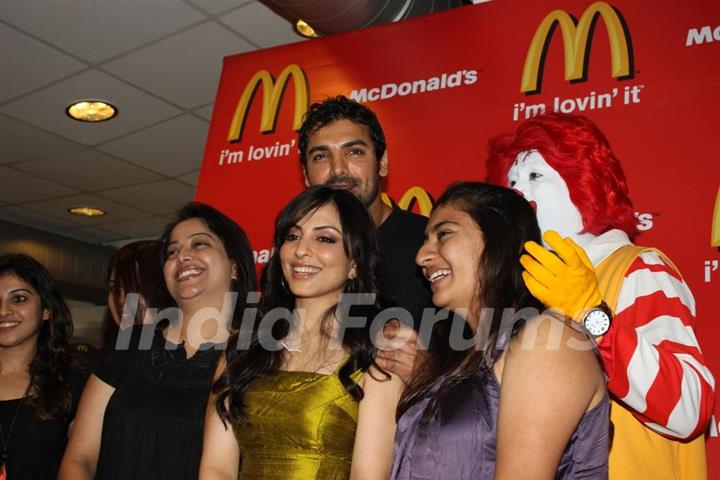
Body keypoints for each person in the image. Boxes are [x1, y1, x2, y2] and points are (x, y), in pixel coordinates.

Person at [485, 112, 715, 480]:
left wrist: (590, 313)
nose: (520, 192)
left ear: (584, 183)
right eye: (512, 182)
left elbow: (690, 406)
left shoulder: (639, 269)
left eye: (535, 176)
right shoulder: (523, 294)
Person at [390, 182, 609, 479]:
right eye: (426, 240)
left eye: (444, 234)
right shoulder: (463, 361)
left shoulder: (546, 338)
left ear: (499, 239)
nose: (421, 257)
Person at [199, 186, 404, 479]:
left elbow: (368, 475)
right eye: (292, 236)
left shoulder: (380, 347)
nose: (301, 250)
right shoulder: (244, 345)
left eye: (324, 238)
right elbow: (215, 468)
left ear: (355, 264)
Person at [59, 203, 256, 480]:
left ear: (234, 266)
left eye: (199, 244)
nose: (183, 256)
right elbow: (80, 459)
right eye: (173, 251)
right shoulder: (130, 342)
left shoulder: (255, 357)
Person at [298, 95, 432, 330]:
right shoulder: (298, 256)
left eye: (354, 152)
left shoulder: (428, 243)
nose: (338, 168)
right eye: (321, 156)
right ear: (306, 175)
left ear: (382, 163)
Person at [0, 253, 89, 479]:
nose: (3, 311)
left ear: (46, 310)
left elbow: (83, 464)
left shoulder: (73, 383)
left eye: (18, 299)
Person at [103, 240, 171, 349]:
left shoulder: (190, 354)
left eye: (137, 286)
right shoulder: (112, 359)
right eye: (114, 288)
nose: (121, 299)